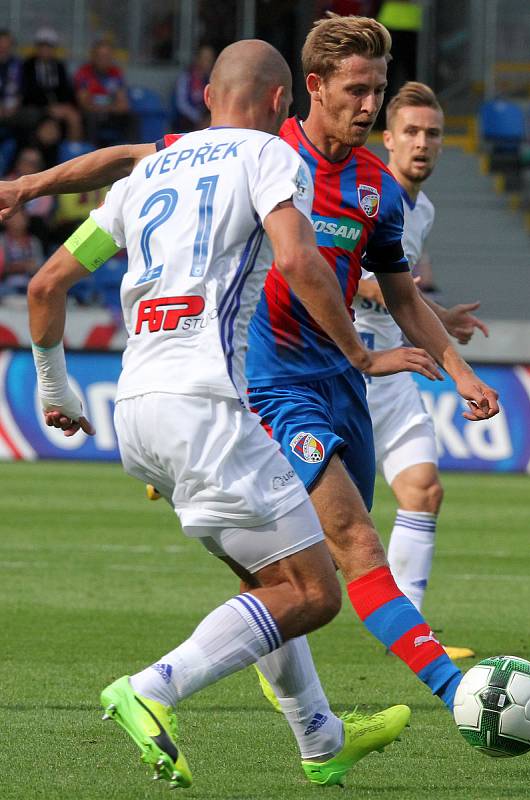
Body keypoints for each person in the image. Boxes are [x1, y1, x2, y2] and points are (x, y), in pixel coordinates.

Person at [0, 14, 499, 716]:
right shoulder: (262, 149)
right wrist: (31, 187)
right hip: (264, 384)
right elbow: (128, 158)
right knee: (349, 547)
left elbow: (398, 293)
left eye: (377, 91)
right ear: (311, 89)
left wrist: (462, 374)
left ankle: (318, 731)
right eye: (356, 89)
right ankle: (455, 693)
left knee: (299, 568)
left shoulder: (375, 188)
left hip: (340, 385)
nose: (367, 106)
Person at [27, 39, 411, 790]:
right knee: (312, 592)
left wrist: (55, 391)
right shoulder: (272, 158)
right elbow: (300, 263)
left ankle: (320, 737)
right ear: (280, 103)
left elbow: (46, 285)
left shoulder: (146, 176)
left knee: (265, 575)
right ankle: (152, 687)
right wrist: (362, 357)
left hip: (136, 409)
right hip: (210, 403)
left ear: (206, 96)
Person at [355, 82, 489, 655]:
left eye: (433, 133)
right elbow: (351, 278)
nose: (423, 143)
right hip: (346, 363)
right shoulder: (365, 191)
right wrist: (420, 310)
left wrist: (439, 317)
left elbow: (398, 290)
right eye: (411, 131)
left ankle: (409, 630)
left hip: (395, 365)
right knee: (316, 519)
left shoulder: (423, 209)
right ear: (388, 138)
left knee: (423, 489)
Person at [22, 28, 82, 142]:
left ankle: (73, 150)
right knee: (43, 121)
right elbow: (28, 91)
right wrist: (48, 107)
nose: (45, 49)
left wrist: (65, 106)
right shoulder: (28, 66)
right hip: (36, 106)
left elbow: (66, 90)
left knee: (74, 117)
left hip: (58, 106)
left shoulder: (59, 66)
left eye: (49, 46)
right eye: (42, 46)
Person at [74, 40, 134, 146]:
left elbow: (123, 103)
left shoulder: (116, 73)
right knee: (91, 118)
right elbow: (84, 104)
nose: (104, 60)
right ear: (93, 56)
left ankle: (132, 154)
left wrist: (108, 109)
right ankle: (92, 155)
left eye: (107, 56)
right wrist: (106, 108)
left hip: (110, 113)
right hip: (91, 114)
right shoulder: (83, 72)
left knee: (132, 117)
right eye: (100, 56)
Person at [172, 44, 215, 132]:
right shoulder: (186, 77)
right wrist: (197, 118)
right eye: (204, 59)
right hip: (187, 119)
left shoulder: (210, 78)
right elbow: (181, 104)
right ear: (197, 59)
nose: (207, 62)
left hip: (204, 118)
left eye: (209, 59)